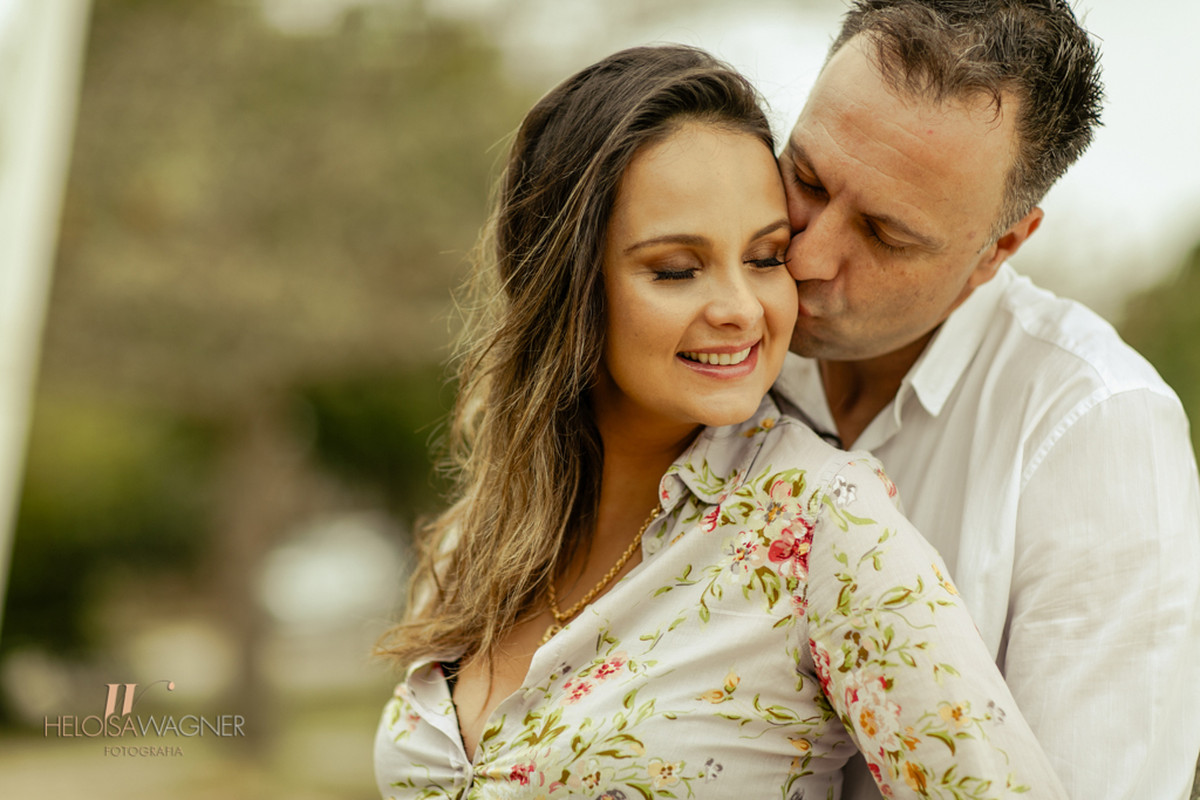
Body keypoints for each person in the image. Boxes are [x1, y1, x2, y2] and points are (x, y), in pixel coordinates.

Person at [374, 44, 1068, 799]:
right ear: (566, 284)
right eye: (677, 269)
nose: (741, 308)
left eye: (767, 257)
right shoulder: (481, 532)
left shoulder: (825, 527)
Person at [772, 2, 1200, 798]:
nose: (806, 254)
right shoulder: (697, 334)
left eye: (886, 235)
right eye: (805, 177)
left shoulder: (1096, 427)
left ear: (997, 250)